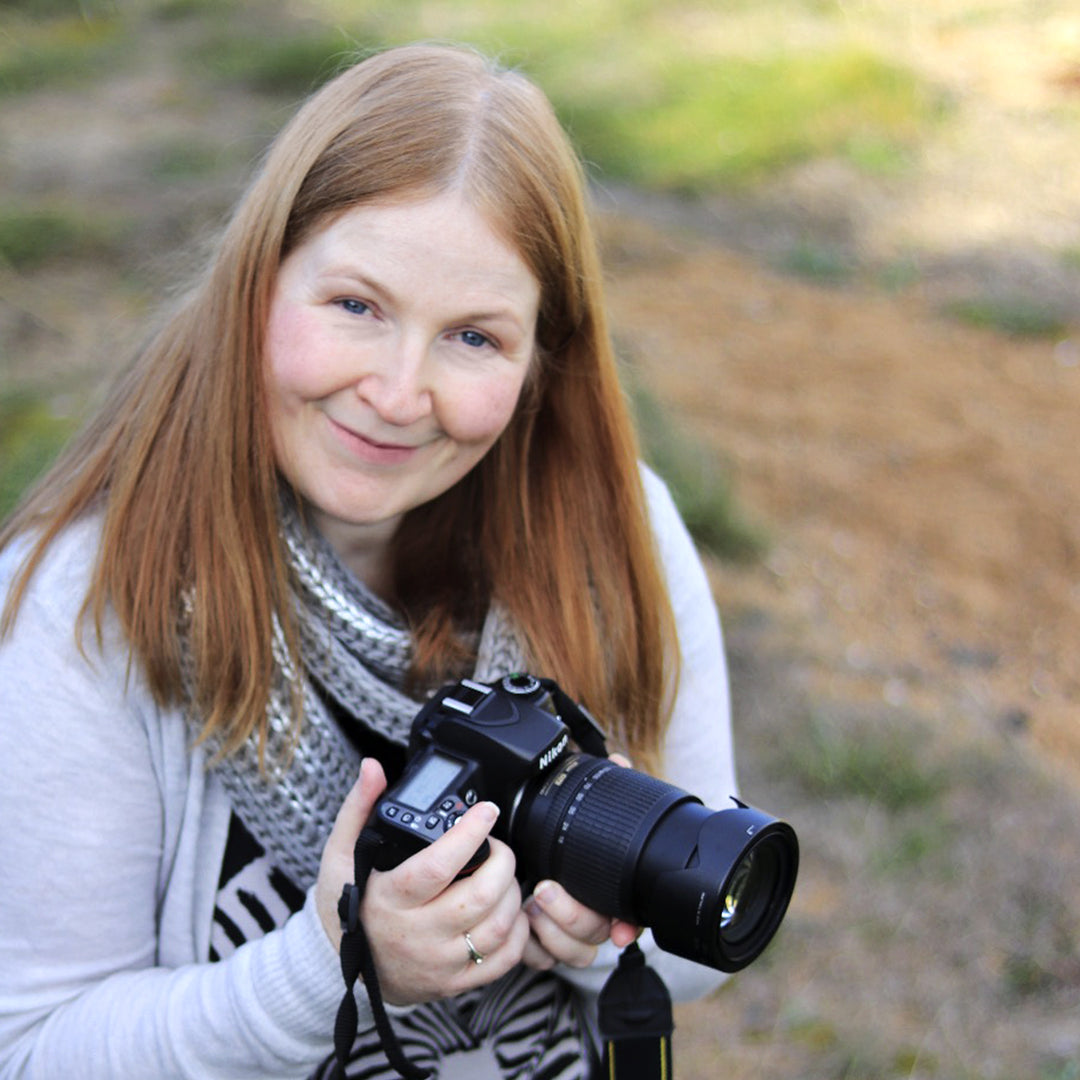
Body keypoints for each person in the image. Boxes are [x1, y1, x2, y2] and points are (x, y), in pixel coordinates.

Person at [0, 42, 737, 1080]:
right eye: (355, 306)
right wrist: (334, 962)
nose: (398, 393)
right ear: (256, 285)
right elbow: (31, 1051)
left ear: (541, 363)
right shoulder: (89, 602)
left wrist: (598, 932)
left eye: (474, 337)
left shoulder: (617, 535)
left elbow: (706, 928)